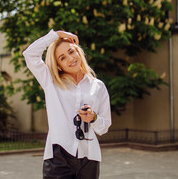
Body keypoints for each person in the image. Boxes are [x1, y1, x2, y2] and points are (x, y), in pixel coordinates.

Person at [23, 29, 112, 179]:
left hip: (89, 157)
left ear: (78, 52)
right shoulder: (50, 82)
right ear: (58, 65)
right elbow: (29, 54)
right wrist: (56, 35)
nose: (70, 59)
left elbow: (104, 126)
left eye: (72, 52)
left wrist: (93, 118)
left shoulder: (98, 86)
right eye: (62, 58)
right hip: (58, 157)